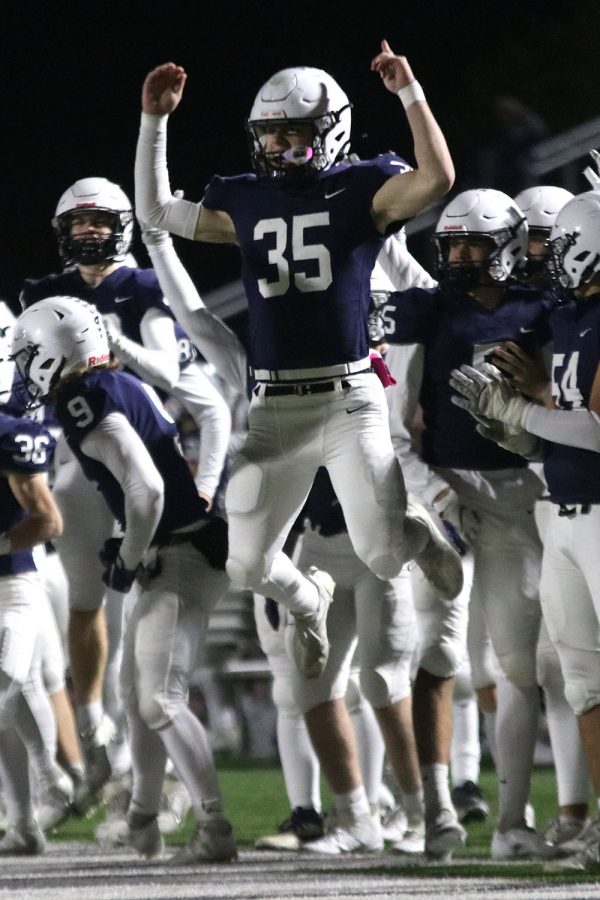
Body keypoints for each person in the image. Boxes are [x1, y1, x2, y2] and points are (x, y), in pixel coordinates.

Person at [134, 44, 464, 685]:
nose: (278, 143)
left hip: (349, 399)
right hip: (274, 408)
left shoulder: (364, 187)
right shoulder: (246, 197)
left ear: (330, 130)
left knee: (383, 553)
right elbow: (154, 214)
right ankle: (309, 602)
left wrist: (409, 92)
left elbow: (438, 179)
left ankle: (419, 535)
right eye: (269, 132)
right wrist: (155, 123)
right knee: (246, 566)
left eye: (292, 130)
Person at [20, 176, 232, 811]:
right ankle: (91, 726)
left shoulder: (142, 288)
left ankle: (140, 777)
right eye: (77, 223)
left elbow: (174, 376)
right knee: (86, 605)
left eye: (99, 221)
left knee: (125, 616)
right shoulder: (43, 294)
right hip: (67, 458)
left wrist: (109, 343)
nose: (88, 232)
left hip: (127, 449)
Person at [378, 187, 557, 861]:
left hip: (521, 494)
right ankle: (436, 811)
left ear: (508, 248)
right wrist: (435, 499)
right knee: (438, 649)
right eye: (450, 245)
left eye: (472, 246)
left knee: (518, 665)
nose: (457, 258)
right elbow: (390, 433)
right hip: (444, 493)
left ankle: (512, 821)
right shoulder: (426, 309)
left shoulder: (542, 310)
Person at [450, 189, 600, 872]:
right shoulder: (570, 318)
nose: (547, 262)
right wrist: (518, 430)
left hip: (596, 512)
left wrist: (524, 412)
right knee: (582, 682)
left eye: (560, 246)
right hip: (562, 507)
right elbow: (561, 425)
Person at [0, 364, 66, 855]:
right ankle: (24, 822)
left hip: (12, 587)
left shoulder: (11, 435)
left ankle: (51, 776)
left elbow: (48, 520)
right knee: (14, 692)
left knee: (5, 688)